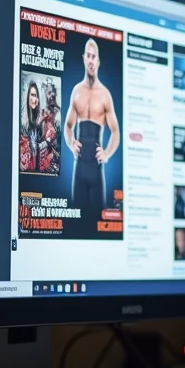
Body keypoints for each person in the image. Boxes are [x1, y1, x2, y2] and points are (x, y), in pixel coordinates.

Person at [65, 39, 119, 227]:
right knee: (76, 225)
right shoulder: (76, 92)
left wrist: (106, 153)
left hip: (96, 173)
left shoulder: (104, 94)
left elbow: (115, 131)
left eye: (93, 56)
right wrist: (71, 142)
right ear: (83, 59)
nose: (90, 59)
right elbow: (68, 125)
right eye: (87, 55)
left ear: (98, 61)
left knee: (97, 225)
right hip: (79, 170)